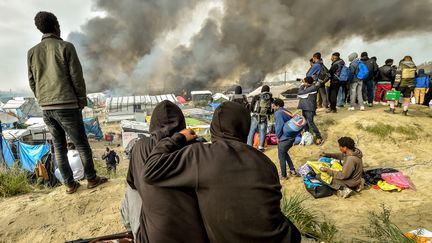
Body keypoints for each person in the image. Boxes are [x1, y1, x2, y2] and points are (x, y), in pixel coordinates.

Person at [143, 102, 301, 242]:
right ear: (244, 128)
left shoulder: (202, 155)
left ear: (214, 128)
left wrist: (179, 137)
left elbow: (151, 170)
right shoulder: (265, 161)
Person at [28, 11, 107, 194]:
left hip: (46, 108)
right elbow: (77, 78)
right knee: (81, 144)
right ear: (56, 26)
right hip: (67, 105)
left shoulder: (31, 52)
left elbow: (32, 81)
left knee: (59, 147)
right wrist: (81, 101)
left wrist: (42, 99)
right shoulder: (66, 47)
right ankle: (92, 179)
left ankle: (70, 185)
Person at [123, 100, 208, 243]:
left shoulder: (139, 146)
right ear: (182, 124)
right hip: (198, 235)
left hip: (153, 237)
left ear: (153, 124)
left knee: (131, 191)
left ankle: (130, 232)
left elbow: (132, 183)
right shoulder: (196, 148)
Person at [272, 98, 299, 179]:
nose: (272, 107)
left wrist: (278, 137)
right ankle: (292, 170)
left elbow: (279, 126)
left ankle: (283, 175)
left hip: (284, 138)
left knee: (281, 157)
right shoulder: (287, 111)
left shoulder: (278, 113)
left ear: (278, 105)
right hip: (292, 137)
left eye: (273, 105)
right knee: (284, 153)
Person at [298, 76, 324, 145]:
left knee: (310, 123)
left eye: (304, 82)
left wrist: (301, 85)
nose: (303, 83)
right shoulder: (308, 87)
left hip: (309, 108)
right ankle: (307, 135)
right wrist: (304, 84)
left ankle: (319, 137)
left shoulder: (313, 87)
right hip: (305, 107)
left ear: (307, 82)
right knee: (305, 123)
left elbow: (300, 92)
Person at [247, 85, 273, 151]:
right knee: (263, 131)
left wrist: (253, 111)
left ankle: (250, 146)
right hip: (264, 117)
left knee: (252, 131)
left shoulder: (257, 96)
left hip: (256, 116)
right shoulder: (271, 98)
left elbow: (252, 106)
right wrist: (268, 113)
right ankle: (261, 147)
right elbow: (271, 109)